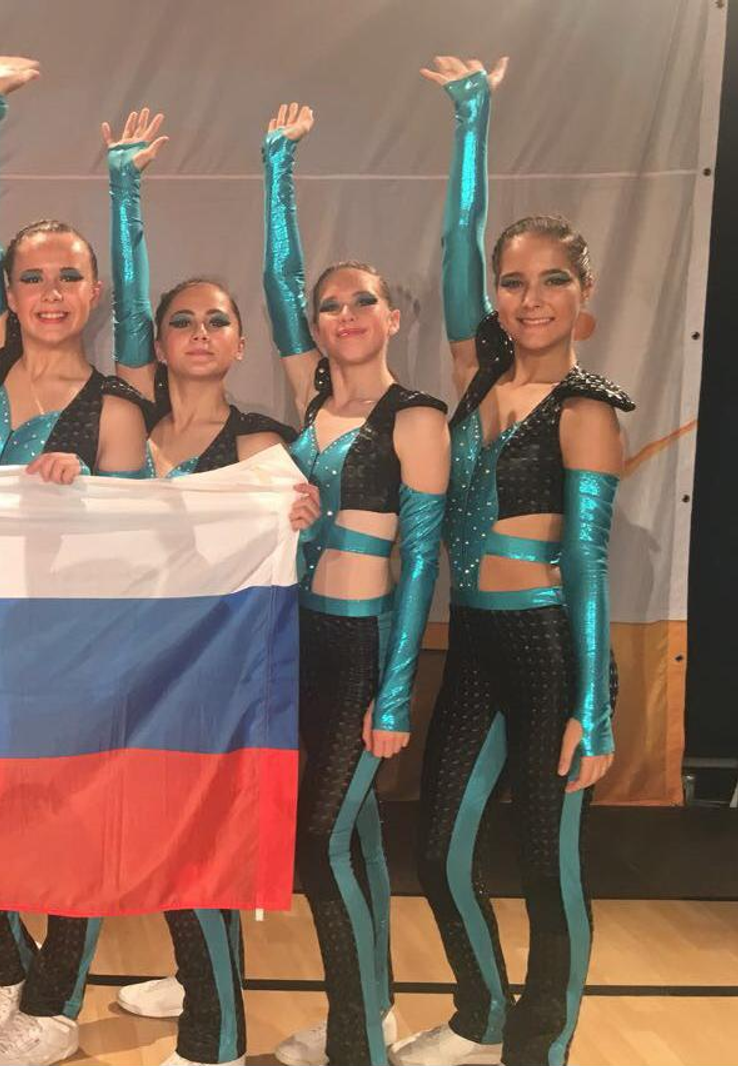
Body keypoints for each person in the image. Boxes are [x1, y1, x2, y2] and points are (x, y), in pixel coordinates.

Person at [390, 56, 632, 1066]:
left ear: (584, 292)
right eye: (514, 281)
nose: (531, 299)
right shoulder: (472, 376)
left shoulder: (586, 411)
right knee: (438, 851)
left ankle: (541, 1045)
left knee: (544, 863)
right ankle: (481, 1012)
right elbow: (456, 244)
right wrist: (469, 123)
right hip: (477, 646)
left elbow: (587, 561)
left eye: (553, 281)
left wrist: (595, 704)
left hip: (551, 652)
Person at [98, 108, 316, 1066]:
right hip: (137, 669)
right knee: (159, 843)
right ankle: (198, 980)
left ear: (240, 345)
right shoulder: (122, 433)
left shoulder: (261, 442)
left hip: (218, 682)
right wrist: (125, 185)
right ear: (156, 342)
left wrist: (302, 517)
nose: (197, 332)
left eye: (216, 321)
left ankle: (214, 1035)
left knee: (201, 846)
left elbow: (292, 558)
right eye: (180, 321)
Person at [0, 56, 152, 1066]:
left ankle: (54, 1001)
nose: (49, 292)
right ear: (7, 291)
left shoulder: (115, 406)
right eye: (30, 275)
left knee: (70, 825)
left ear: (96, 291)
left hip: (72, 645)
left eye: (70, 275)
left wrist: (84, 500)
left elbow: (130, 551)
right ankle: (5, 969)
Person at [258, 100, 451, 1066]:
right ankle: (368, 1015)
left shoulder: (416, 419)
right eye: (331, 305)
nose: (345, 315)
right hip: (304, 640)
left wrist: (398, 689)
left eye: (363, 301)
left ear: (393, 316)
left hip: (370, 642)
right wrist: (277, 167)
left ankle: (352, 1041)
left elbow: (423, 560)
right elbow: (277, 279)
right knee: (358, 836)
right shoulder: (309, 405)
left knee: (324, 842)